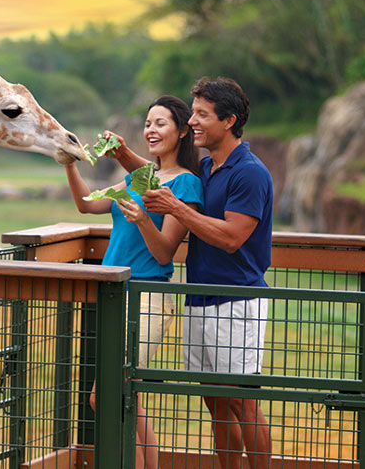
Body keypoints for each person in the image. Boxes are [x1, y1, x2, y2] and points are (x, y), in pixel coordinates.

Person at [116, 77, 273, 469]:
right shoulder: (208, 168)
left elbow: (233, 237)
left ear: (229, 120)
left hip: (237, 301)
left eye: (202, 115)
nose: (193, 123)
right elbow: (164, 178)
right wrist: (123, 156)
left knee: (243, 401)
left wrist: (179, 210)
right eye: (193, 114)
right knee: (215, 402)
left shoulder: (249, 173)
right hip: (200, 298)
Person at [65, 95, 204, 469]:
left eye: (160, 123)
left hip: (148, 297)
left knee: (107, 394)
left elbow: (164, 254)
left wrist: (143, 219)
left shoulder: (187, 185)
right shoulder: (137, 177)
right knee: (126, 395)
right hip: (114, 294)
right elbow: (87, 204)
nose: (151, 130)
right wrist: (69, 162)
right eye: (148, 123)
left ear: (181, 132)